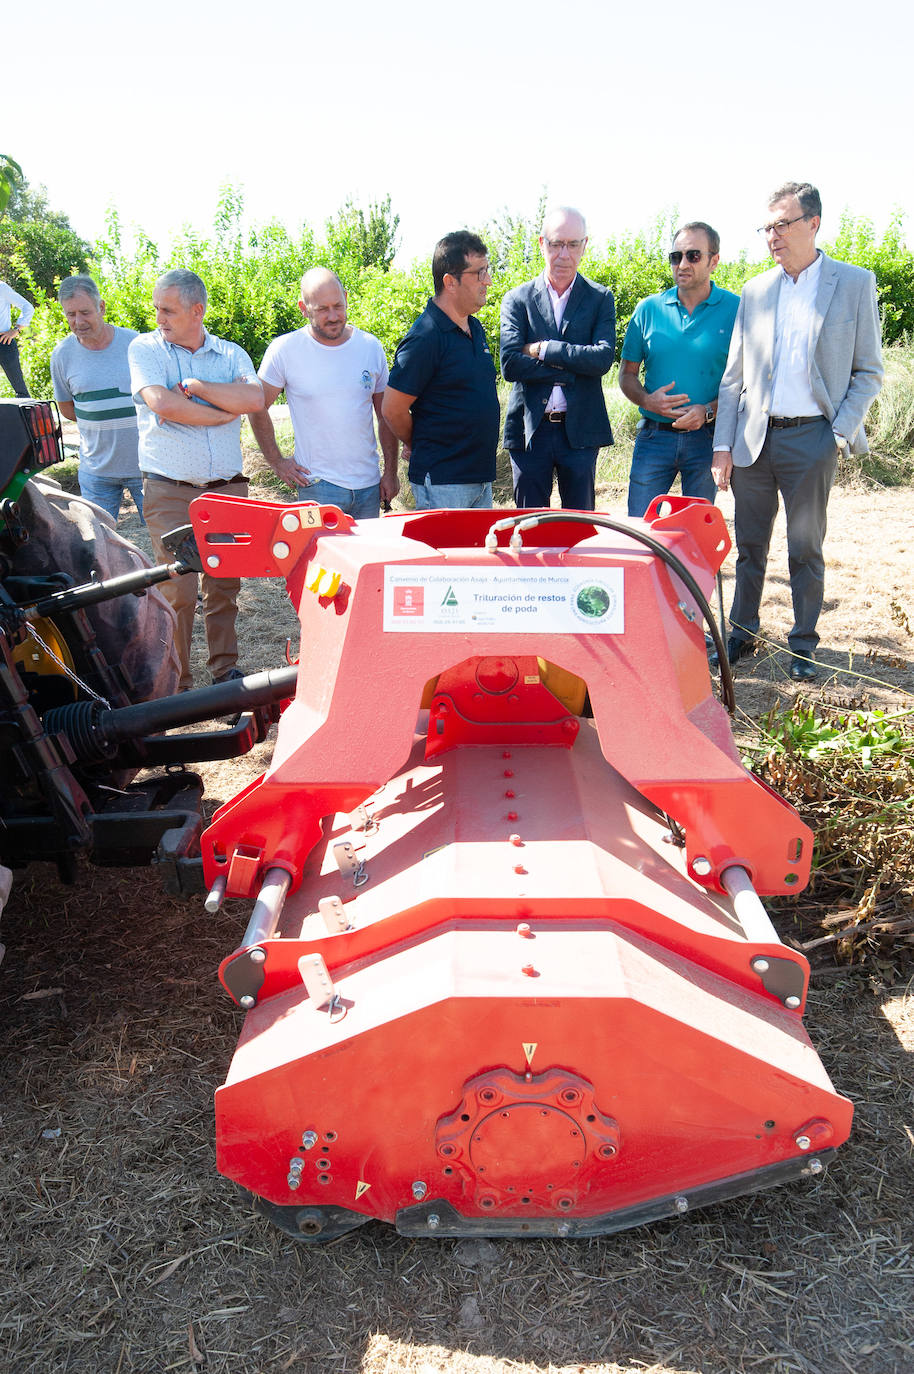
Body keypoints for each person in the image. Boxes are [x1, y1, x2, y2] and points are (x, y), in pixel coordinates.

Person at [712, 181, 883, 682]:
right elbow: (734, 378)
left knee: (805, 547)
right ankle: (741, 634)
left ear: (813, 223)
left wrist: (836, 435)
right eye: (767, 226)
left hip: (813, 438)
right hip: (753, 442)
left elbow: (868, 372)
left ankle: (804, 646)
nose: (773, 235)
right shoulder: (756, 290)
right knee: (749, 547)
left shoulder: (853, 283)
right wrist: (723, 445)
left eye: (782, 224)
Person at [128, 269, 264, 690]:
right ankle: (178, 683)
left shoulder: (231, 354)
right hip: (170, 490)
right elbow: (163, 403)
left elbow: (255, 399)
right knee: (178, 591)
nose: (159, 318)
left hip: (227, 491)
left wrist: (200, 387)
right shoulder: (146, 348)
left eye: (167, 310)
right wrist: (222, 412)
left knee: (224, 585)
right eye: (157, 309)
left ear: (196, 310)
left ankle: (225, 672)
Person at [249, 268, 398, 518]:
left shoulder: (370, 347)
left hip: (369, 487)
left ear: (347, 298)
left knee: (365, 558)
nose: (333, 316)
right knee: (320, 558)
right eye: (322, 309)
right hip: (317, 488)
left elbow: (386, 416)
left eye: (338, 306)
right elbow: (255, 406)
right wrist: (277, 462)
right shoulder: (285, 350)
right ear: (303, 308)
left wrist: (391, 472)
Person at [620, 223, 739, 517]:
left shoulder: (737, 309)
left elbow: (746, 383)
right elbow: (626, 375)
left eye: (693, 256)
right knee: (640, 526)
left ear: (714, 260)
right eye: (676, 257)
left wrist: (708, 411)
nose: (682, 264)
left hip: (707, 440)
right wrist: (647, 400)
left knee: (696, 531)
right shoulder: (648, 310)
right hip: (653, 439)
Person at [499, 207, 615, 510]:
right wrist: (575, 366)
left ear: (585, 245)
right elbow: (510, 364)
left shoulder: (600, 298)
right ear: (541, 243)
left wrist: (546, 349)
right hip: (529, 433)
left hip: (580, 433)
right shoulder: (517, 299)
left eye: (572, 244)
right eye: (556, 244)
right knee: (526, 529)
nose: (564, 254)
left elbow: (602, 359)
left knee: (579, 530)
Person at [383, 230, 499, 509]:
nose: (489, 281)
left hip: (480, 479)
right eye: (479, 273)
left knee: (479, 555)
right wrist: (419, 440)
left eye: (488, 270)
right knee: (451, 554)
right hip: (444, 483)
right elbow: (392, 409)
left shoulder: (475, 327)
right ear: (450, 282)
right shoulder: (425, 337)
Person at [51, 275, 144, 523]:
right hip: (96, 471)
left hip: (147, 467)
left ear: (101, 307)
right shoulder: (61, 355)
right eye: (71, 314)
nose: (78, 321)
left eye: (85, 312)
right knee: (95, 546)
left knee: (165, 544)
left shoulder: (135, 343)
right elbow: (69, 410)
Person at [0, 279, 33, 397]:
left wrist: (17, 329)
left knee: (21, 391)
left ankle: (28, 414)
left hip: (4, 341)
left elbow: (27, 307)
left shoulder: (1, 287)